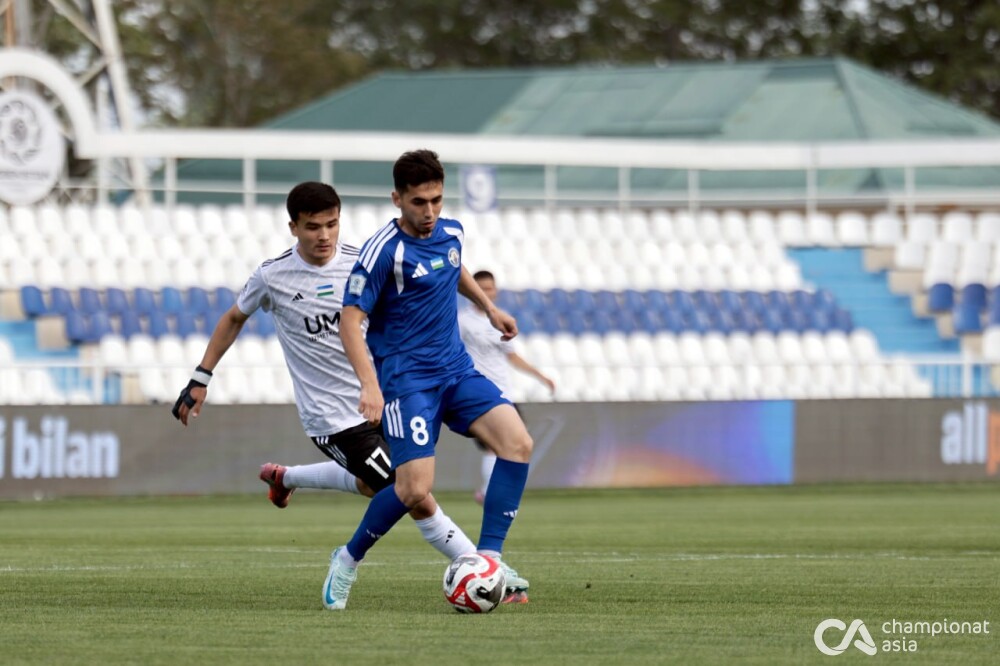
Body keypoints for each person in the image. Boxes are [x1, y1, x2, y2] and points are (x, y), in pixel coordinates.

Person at [170, 181, 477, 574]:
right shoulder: (273, 276)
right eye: (313, 227)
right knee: (407, 490)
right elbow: (233, 318)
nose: (324, 235)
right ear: (293, 227)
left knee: (372, 484)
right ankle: (479, 565)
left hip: (384, 397)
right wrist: (201, 377)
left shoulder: (362, 263)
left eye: (332, 224)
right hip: (331, 416)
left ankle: (286, 478)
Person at [325, 149, 534, 610]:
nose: (430, 211)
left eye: (436, 200)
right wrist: (370, 384)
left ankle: (489, 561)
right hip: (407, 382)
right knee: (413, 489)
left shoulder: (451, 231)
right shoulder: (383, 252)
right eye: (419, 202)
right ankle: (347, 559)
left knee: (518, 443)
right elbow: (350, 320)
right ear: (397, 199)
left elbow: (454, 265)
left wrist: (489, 308)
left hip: (456, 370)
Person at [458, 270, 555, 504]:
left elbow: (511, 356)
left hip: (505, 393)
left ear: (496, 290)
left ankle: (489, 492)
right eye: (482, 288)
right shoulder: (461, 320)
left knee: (516, 443)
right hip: (480, 393)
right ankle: (491, 494)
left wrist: (541, 376)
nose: (487, 292)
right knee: (494, 447)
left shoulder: (500, 318)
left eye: (490, 288)